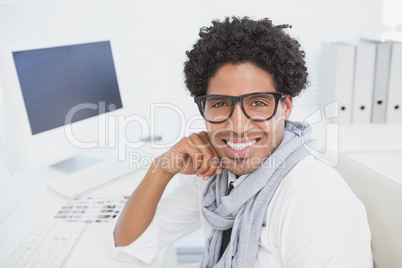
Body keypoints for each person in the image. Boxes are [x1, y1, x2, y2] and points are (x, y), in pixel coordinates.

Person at [113, 17, 372, 267]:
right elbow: (129, 244)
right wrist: (162, 168)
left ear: (286, 106)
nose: (237, 126)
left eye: (258, 103)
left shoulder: (313, 199)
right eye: (220, 104)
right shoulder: (218, 177)